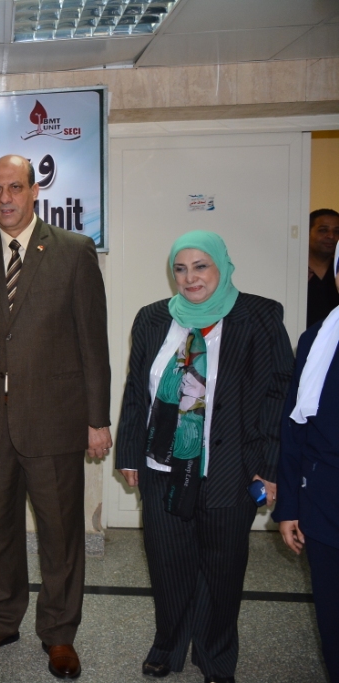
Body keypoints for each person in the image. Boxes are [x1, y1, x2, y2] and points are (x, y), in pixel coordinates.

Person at [0, 155, 111, 679]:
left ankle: (59, 633)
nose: (5, 199)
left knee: (61, 535)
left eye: (14, 187)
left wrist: (98, 419)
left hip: (55, 420)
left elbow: (93, 342)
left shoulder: (74, 251)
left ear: (35, 191)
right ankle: (0, 619)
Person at [116, 231, 293, 683]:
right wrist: (129, 453)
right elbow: (137, 391)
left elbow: (278, 394)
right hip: (163, 467)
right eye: (180, 268)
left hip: (231, 467)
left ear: (221, 267)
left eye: (200, 266)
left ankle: (215, 656)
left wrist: (269, 466)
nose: (190, 277)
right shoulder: (153, 318)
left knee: (222, 569)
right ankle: (168, 644)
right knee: (168, 564)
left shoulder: (259, 316)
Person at [276, 243, 339, 683]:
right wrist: (289, 508)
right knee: (333, 618)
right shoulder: (317, 339)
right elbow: (294, 427)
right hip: (325, 501)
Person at [308, 209, 339, 329]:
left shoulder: (337, 272)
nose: (331, 236)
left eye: (337, 231)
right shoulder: (294, 272)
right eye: (323, 230)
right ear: (308, 232)